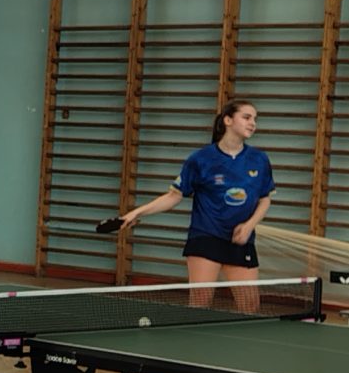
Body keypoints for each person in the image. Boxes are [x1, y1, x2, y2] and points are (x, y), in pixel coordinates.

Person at [108, 98, 274, 300]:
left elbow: (265, 199)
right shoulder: (201, 159)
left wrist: (249, 225)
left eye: (255, 119)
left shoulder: (259, 159)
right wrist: (136, 212)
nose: (252, 123)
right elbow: (174, 196)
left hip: (241, 239)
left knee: (250, 304)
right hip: (206, 236)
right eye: (246, 117)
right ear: (228, 120)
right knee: (200, 301)